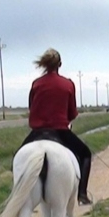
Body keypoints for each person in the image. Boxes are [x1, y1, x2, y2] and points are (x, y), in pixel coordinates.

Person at [20, 48, 93, 205]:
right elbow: (72, 112)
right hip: (60, 132)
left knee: (17, 158)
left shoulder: (36, 84)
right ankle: (82, 194)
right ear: (60, 64)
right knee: (86, 154)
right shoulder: (67, 84)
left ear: (44, 65)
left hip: (37, 132)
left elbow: (31, 108)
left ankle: (19, 192)